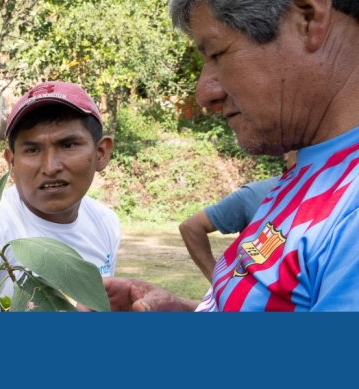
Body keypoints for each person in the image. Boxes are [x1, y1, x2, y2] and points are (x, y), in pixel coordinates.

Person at [98, 0, 359, 311]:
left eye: (217, 54)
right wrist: (179, 311)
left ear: (307, 18)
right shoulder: (312, 169)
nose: (204, 94)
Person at [0, 81, 118, 311]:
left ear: (101, 153)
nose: (50, 167)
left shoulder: (107, 223)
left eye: (68, 145)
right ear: (11, 162)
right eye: (32, 150)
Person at [179, 151, 296, 282]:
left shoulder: (322, 197)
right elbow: (191, 226)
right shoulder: (255, 194)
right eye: (300, 148)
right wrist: (217, 281)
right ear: (286, 153)